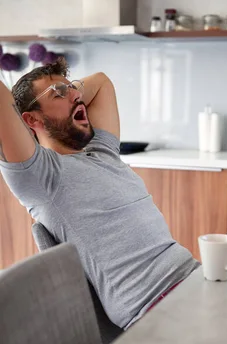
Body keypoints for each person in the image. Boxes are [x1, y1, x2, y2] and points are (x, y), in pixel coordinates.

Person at [0, 58, 198, 329]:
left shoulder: (102, 152)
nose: (77, 95)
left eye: (75, 89)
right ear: (31, 119)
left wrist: (64, 91)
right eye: (59, 93)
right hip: (158, 306)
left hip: (195, 280)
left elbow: (102, 81)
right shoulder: (41, 176)